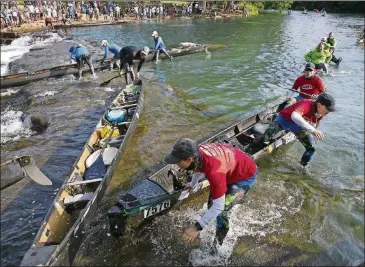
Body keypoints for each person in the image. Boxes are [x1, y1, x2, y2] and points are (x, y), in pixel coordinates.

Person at [164, 138, 258, 246]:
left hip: (244, 177)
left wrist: (195, 228)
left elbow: (219, 207)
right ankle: (211, 224)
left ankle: (217, 248)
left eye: (177, 162)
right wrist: (192, 184)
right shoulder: (197, 152)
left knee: (222, 211)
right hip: (228, 169)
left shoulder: (214, 172)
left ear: (189, 159)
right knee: (211, 205)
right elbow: (199, 167)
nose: (176, 164)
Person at [263, 93, 336, 169]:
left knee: (311, 148)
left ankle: (302, 166)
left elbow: (314, 124)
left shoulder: (320, 114)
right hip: (284, 119)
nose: (327, 113)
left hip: (298, 126)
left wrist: (313, 131)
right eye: (328, 110)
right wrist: (313, 130)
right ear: (319, 105)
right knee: (265, 138)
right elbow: (294, 116)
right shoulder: (306, 104)